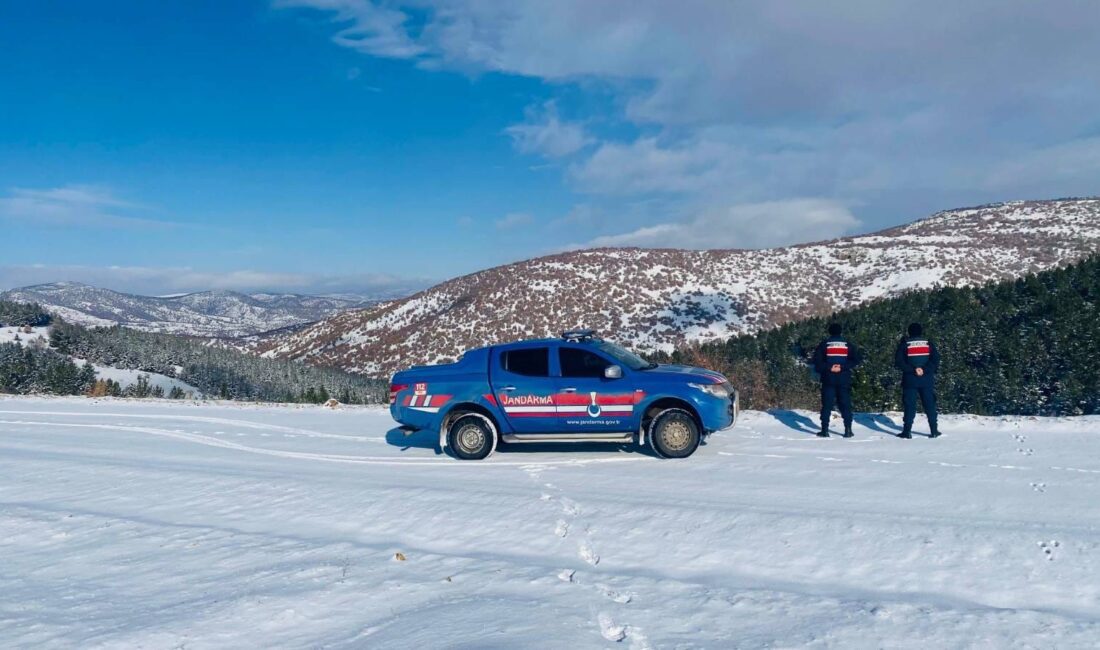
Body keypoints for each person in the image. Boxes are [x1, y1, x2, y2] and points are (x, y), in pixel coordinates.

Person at [812, 323, 863, 438]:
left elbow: (817, 362)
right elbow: (856, 360)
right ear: (841, 332)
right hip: (844, 378)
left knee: (827, 405)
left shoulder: (824, 344)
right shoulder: (847, 344)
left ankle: (825, 430)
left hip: (828, 378)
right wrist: (842, 367)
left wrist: (829, 367)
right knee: (845, 404)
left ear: (829, 332)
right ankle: (848, 430)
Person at [894, 322, 941, 439]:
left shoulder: (905, 344)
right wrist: (924, 369)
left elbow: (899, 361)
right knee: (929, 405)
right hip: (926, 379)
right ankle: (934, 430)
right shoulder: (928, 343)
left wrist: (913, 369)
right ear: (921, 331)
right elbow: (935, 360)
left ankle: (907, 431)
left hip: (910, 379)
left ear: (909, 332)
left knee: (909, 405)